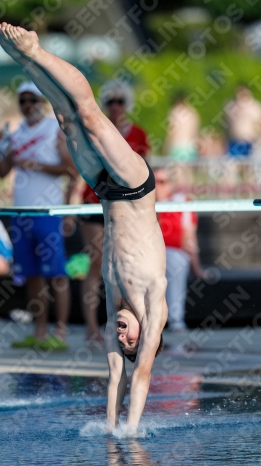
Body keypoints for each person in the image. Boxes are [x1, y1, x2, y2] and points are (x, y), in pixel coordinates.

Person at [0, 17, 168, 431]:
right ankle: (36, 49)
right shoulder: (151, 305)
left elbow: (116, 377)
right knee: (88, 115)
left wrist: (110, 428)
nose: (122, 337)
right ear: (145, 340)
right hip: (135, 187)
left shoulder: (114, 296)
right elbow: (139, 376)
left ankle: (26, 62)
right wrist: (131, 433)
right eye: (131, 342)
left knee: (66, 119)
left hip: (106, 191)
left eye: (120, 341)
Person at [0, 81, 75, 350]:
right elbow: (2, 172)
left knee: (57, 275)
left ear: (42, 101)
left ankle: (60, 333)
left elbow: (71, 169)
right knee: (31, 275)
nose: (28, 105)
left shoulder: (55, 129)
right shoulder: (16, 133)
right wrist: (0, 148)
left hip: (48, 212)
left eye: (33, 100)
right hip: (22, 213)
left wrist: (37, 165)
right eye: (23, 101)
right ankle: (40, 331)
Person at [75, 79, 151, 342]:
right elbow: (80, 167)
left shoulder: (137, 134)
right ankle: (91, 326)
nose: (115, 107)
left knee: (125, 265)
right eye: (111, 102)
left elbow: (143, 171)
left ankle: (125, 322)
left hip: (125, 205)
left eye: (120, 101)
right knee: (96, 264)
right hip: (96, 201)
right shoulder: (97, 129)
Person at [154, 167, 204, 332]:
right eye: (153, 182)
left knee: (175, 262)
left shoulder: (182, 200)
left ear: (170, 185)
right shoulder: (140, 202)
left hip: (173, 251)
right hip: (147, 254)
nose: (157, 186)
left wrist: (197, 268)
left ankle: (175, 319)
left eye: (162, 182)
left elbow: (189, 236)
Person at [225, 84, 261, 156]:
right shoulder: (232, 106)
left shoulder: (255, 107)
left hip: (251, 141)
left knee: (250, 163)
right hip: (235, 140)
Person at [164, 91, 200, 162]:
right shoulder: (193, 112)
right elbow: (196, 132)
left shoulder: (175, 111)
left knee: (178, 170)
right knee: (189, 170)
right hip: (191, 147)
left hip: (177, 146)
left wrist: (166, 146)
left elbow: (171, 131)